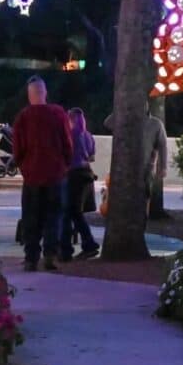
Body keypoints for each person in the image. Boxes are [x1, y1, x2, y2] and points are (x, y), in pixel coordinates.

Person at [13, 76, 72, 272]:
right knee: (53, 216)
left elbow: (18, 149)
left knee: (31, 217)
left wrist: (24, 167)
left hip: (32, 176)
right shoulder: (58, 114)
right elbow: (67, 142)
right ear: (45, 92)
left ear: (29, 95)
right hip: (55, 174)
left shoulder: (23, 117)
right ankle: (50, 255)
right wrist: (64, 165)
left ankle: (31, 258)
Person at [104, 105, 168, 217]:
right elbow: (107, 123)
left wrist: (163, 167)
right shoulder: (125, 119)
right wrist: (120, 109)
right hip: (124, 167)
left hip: (146, 169)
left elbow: (163, 146)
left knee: (144, 198)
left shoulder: (156, 124)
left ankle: (143, 220)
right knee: (123, 198)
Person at [60, 108, 100, 262]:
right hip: (86, 175)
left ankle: (67, 249)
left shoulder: (69, 134)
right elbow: (92, 157)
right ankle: (86, 244)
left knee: (67, 212)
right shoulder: (88, 135)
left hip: (73, 175)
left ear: (70, 120)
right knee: (75, 212)